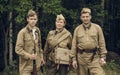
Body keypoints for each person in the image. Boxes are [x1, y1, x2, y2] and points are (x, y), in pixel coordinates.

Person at [70, 7, 107, 75]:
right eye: (83, 17)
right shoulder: (77, 29)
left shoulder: (97, 28)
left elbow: (102, 43)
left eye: (87, 16)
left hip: (94, 57)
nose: (85, 18)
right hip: (81, 58)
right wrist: (74, 59)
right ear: (81, 18)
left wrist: (103, 57)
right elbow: (74, 45)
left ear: (90, 17)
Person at [15, 9, 44, 75]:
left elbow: (39, 45)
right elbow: (18, 49)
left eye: (35, 19)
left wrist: (41, 57)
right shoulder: (22, 32)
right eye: (31, 19)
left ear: (37, 20)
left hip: (37, 65)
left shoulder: (37, 30)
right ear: (27, 19)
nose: (33, 21)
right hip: (26, 66)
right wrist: (29, 56)